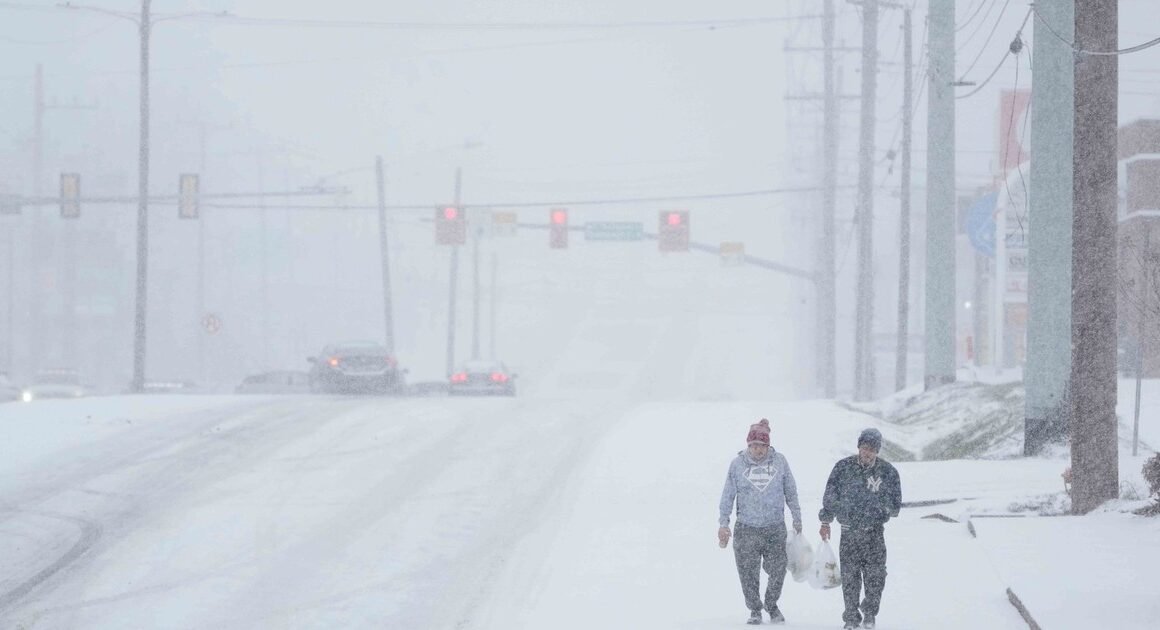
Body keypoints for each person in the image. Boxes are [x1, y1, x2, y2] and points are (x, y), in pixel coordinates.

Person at [719, 418, 803, 625]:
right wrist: (724, 523)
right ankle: (755, 609)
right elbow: (728, 495)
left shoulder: (780, 462)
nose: (758, 450)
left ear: (768, 445)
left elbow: (790, 490)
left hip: (774, 527)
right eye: (754, 445)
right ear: (748, 445)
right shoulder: (737, 464)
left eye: (762, 446)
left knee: (778, 568)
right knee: (748, 572)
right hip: (746, 528)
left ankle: (771, 604)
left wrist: (797, 516)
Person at [818, 428, 902, 630]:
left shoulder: (888, 472)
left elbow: (895, 506)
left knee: (877, 576)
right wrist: (825, 521)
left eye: (872, 449)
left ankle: (870, 613)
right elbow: (830, 497)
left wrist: (879, 507)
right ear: (859, 447)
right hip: (849, 533)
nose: (868, 452)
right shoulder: (843, 468)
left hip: (874, 533)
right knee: (850, 578)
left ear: (878, 450)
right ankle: (851, 618)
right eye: (865, 447)